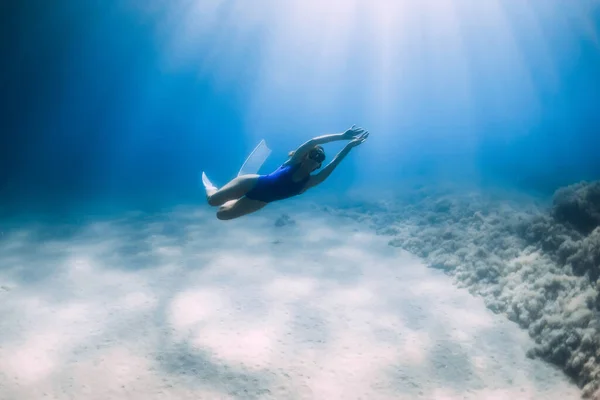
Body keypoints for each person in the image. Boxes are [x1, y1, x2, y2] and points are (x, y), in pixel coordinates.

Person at [203, 125, 370, 220]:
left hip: (260, 200)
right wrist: (342, 136)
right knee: (212, 201)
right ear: (305, 156)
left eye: (319, 158)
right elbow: (313, 141)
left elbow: (336, 162)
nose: (315, 158)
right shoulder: (294, 161)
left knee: (221, 215)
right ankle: (212, 189)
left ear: (318, 166)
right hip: (250, 182)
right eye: (312, 154)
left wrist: (349, 146)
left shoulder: (312, 181)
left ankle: (231, 200)